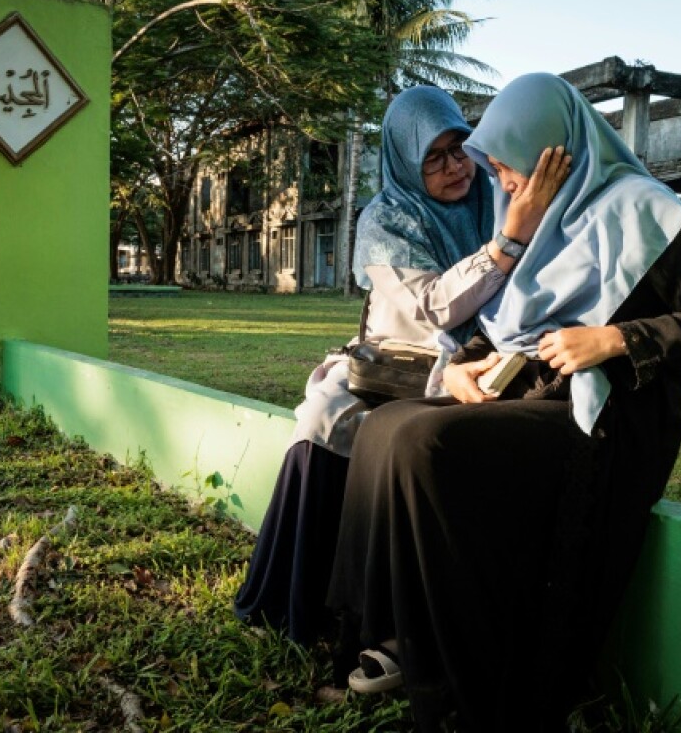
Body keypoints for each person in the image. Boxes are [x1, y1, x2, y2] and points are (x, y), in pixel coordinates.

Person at [327, 73, 681, 731]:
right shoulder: (532, 224)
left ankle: (462, 667)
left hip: (611, 411)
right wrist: (469, 370)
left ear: (551, 153)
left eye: (506, 169)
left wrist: (615, 338)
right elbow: (503, 327)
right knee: (385, 426)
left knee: (423, 444)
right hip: (532, 393)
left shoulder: (639, 208)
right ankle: (397, 638)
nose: (499, 186)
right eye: (495, 171)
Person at [233, 85, 570, 651]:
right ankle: (302, 599)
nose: (453, 166)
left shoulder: (494, 197)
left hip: (488, 353)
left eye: (459, 147)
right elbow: (436, 305)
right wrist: (509, 240)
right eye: (432, 157)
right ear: (405, 162)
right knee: (326, 415)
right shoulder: (385, 218)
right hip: (401, 358)